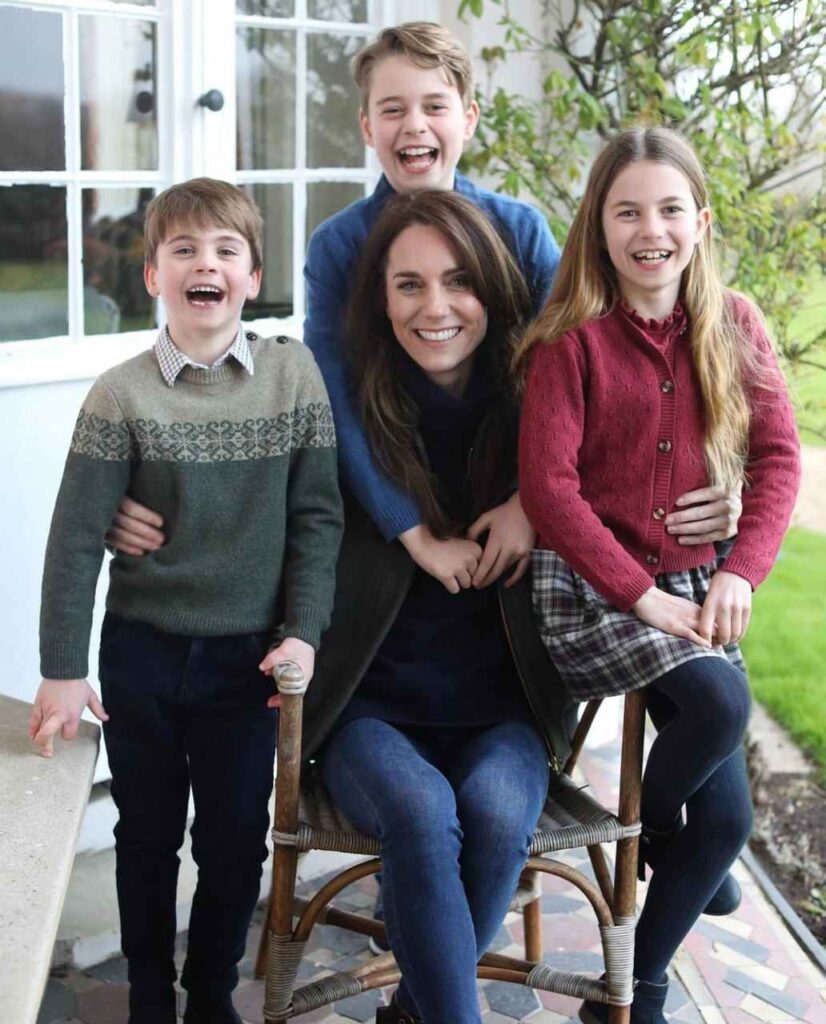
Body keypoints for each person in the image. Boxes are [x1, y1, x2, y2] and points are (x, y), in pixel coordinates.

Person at [106, 21, 741, 592]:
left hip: (511, 504)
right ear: (366, 127)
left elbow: (594, 373)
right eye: (392, 109)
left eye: (434, 106)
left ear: (467, 118)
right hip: (391, 507)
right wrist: (410, 530)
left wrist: (533, 503)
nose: (414, 125)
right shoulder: (339, 246)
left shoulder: (519, 231)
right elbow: (331, 401)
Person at [30, 178, 343, 1024]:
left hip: (249, 663)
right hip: (144, 654)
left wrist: (302, 633)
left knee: (235, 840)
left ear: (253, 275)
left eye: (226, 251)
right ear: (153, 277)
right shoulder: (119, 395)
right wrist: (61, 669)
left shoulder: (292, 378)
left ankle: (209, 992)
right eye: (185, 251)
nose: (206, 264)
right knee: (145, 835)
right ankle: (145, 995)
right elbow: (73, 537)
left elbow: (318, 520)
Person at [517, 127, 801, 1024]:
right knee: (719, 708)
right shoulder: (572, 343)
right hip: (592, 591)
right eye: (628, 211)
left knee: (731, 829)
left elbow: (780, 459)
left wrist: (740, 574)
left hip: (690, 587)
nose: (652, 230)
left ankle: (631, 993)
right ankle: (659, 828)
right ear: (599, 228)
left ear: (702, 222)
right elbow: (549, 492)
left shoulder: (737, 325)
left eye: (671, 209)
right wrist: (635, 592)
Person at [299, 189, 552, 1024]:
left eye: (458, 282)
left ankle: (418, 1009)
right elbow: (247, 494)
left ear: (494, 290)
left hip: (501, 710)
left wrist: (726, 502)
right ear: (379, 298)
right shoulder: (346, 419)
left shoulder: (540, 418)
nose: (434, 308)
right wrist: (140, 509)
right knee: (421, 810)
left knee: (493, 809)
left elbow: (649, 470)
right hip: (373, 711)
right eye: (408, 285)